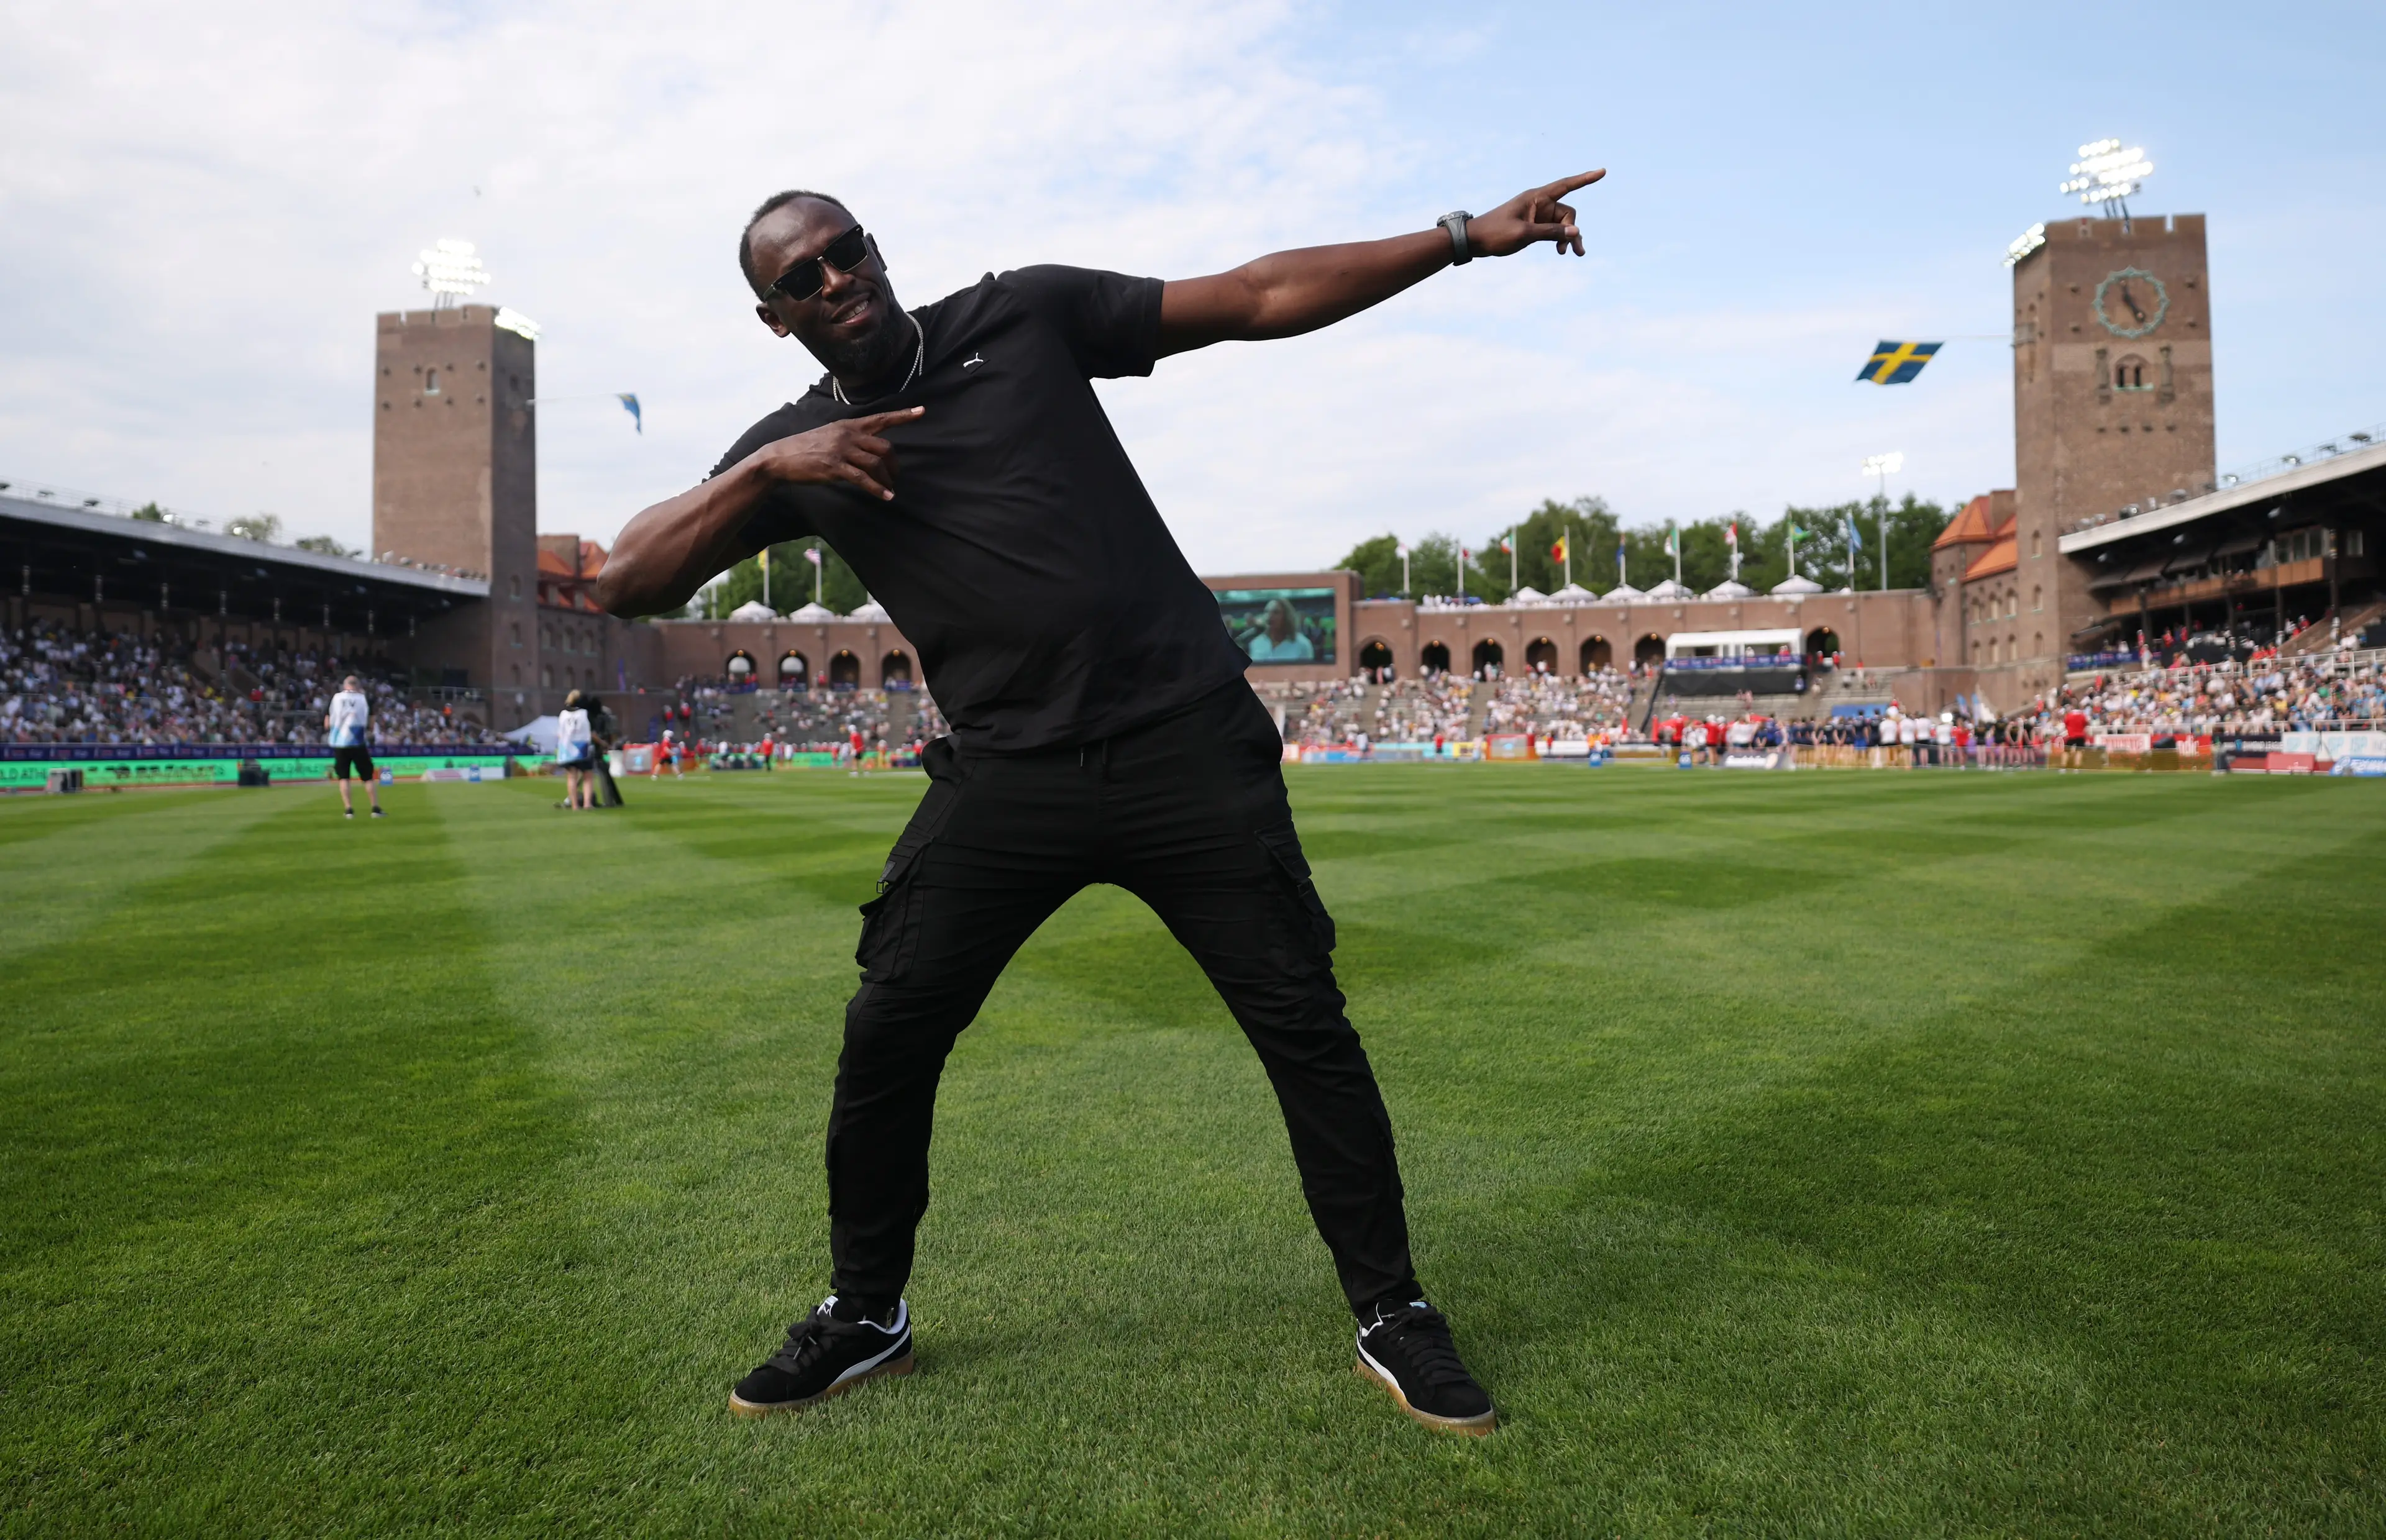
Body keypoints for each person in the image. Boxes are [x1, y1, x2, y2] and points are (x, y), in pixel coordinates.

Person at [595, 171, 1608, 1435]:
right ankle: (867, 1314)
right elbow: (625, 581)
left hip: (1182, 744)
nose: (833, 279)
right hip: (1008, 779)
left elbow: (1254, 296)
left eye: (843, 251)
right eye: (798, 279)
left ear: (875, 246)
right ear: (776, 318)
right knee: (885, 1033)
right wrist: (768, 474)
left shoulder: (1022, 318)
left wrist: (1459, 239)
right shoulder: (796, 453)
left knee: (1306, 1028)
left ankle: (1393, 1313)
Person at [324, 673, 383, 819]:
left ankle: (349, 810)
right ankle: (375, 809)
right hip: (358, 742)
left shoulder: (335, 698)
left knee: (344, 777)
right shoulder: (365, 699)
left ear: (345, 686)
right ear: (358, 686)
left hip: (339, 743)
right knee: (368, 777)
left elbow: (327, 724)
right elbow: (371, 724)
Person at [555, 690, 596, 809]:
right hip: (582, 747)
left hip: (566, 748)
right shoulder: (585, 713)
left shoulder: (563, 714)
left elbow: (559, 734)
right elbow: (592, 733)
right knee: (588, 776)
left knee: (572, 776)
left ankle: (575, 805)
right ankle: (588, 804)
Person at [1246, 596, 1315, 662]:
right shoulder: (1256, 643)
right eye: (1267, 612)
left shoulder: (1302, 644)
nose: (1270, 616)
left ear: (1286, 617)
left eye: (1276, 612)